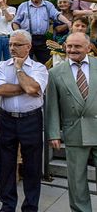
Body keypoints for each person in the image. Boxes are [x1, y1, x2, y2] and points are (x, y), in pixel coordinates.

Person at [0, 29, 49, 212]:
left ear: (28, 46)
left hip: (31, 120)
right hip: (6, 119)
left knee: (32, 166)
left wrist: (18, 69)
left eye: (17, 44)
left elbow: (34, 89)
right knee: (6, 165)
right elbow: (0, 90)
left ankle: (30, 206)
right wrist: (26, 86)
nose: (12, 48)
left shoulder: (39, 68)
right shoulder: (1, 65)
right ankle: (7, 205)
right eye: (10, 44)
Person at [46, 32, 97, 212]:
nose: (72, 50)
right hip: (74, 130)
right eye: (69, 46)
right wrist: (53, 133)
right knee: (76, 180)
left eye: (77, 46)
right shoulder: (55, 72)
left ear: (88, 47)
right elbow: (51, 106)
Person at [12, 0, 72, 64]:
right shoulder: (23, 6)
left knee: (47, 62)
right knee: (24, 62)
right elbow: (15, 22)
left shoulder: (48, 5)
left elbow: (57, 15)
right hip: (27, 38)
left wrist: (68, 22)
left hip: (42, 39)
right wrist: (19, 34)